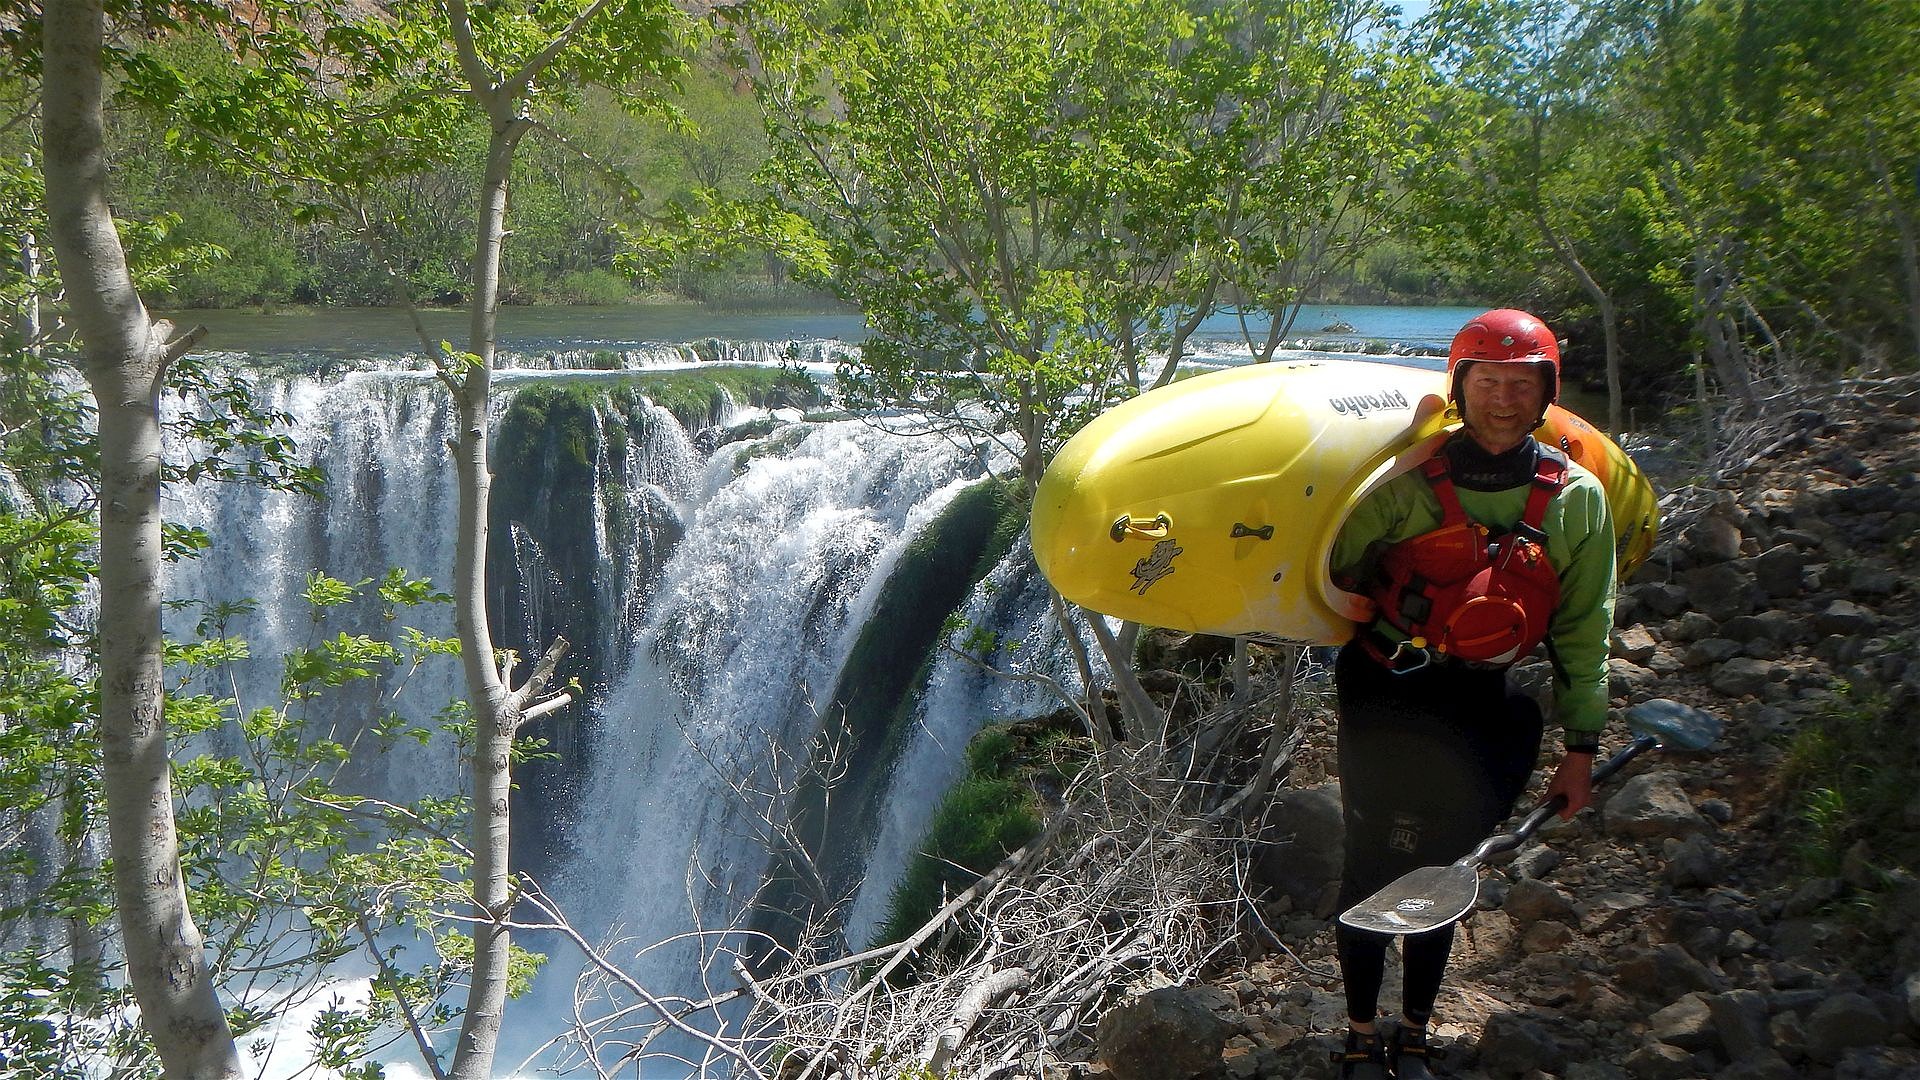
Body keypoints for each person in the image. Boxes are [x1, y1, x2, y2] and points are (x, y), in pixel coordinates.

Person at [1324, 309, 1617, 1079]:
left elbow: (1586, 629)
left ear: (1546, 394)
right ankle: (1359, 1032)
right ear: (1460, 386)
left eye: (1523, 385)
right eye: (1488, 381)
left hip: (1485, 705)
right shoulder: (1404, 486)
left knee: (1441, 871)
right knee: (1371, 863)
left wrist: (1581, 747)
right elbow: (1337, 575)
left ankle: (1413, 1030)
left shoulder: (1577, 499)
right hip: (1388, 692)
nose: (1504, 399)